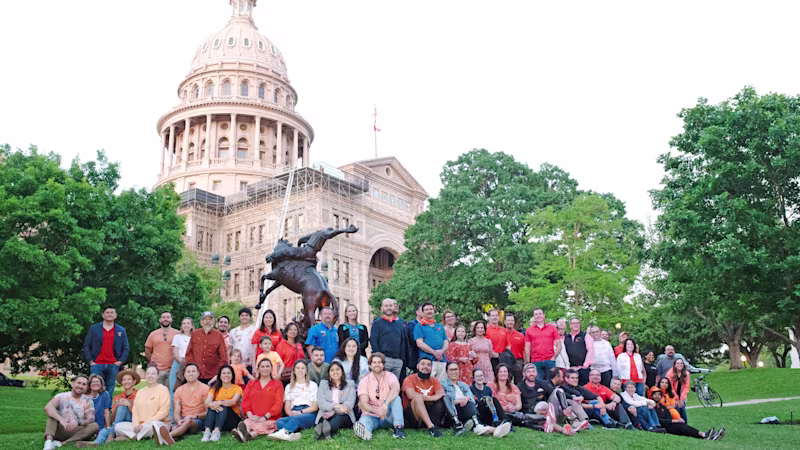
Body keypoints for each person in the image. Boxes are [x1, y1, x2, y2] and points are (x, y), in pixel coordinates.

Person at [442, 362, 512, 438]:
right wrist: (460, 401)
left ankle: (491, 424)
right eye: (451, 370)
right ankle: (484, 427)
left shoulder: (463, 385)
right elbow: (445, 401)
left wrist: (467, 399)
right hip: (454, 411)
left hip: (467, 409)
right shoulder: (443, 384)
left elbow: (471, 398)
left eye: (456, 369)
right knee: (470, 404)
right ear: (447, 372)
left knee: (489, 400)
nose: (454, 372)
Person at [353, 352, 406, 440]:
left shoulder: (390, 376)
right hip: (371, 414)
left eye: (379, 362)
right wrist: (377, 411)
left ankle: (398, 428)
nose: (377, 365)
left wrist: (386, 403)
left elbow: (395, 389)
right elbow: (364, 403)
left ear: (383, 364)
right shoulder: (364, 381)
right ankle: (366, 433)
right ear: (370, 365)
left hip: (388, 414)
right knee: (364, 422)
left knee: (396, 398)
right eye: (374, 362)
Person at [231, 358, 284, 443]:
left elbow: (278, 404)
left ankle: (247, 436)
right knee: (247, 423)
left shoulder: (277, 384)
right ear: (258, 369)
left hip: (270, 418)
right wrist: (250, 415)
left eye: (267, 366)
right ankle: (244, 433)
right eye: (262, 366)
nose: (265, 369)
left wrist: (265, 417)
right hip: (253, 416)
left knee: (261, 426)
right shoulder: (251, 383)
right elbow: (245, 400)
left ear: (271, 369)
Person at [114, 365, 169, 442]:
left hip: (156, 423)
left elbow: (163, 413)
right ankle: (143, 436)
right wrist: (135, 425)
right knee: (118, 426)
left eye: (153, 374)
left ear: (157, 376)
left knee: (154, 427)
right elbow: (135, 411)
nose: (150, 376)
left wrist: (144, 424)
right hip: (140, 425)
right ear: (145, 375)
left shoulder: (163, 390)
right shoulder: (140, 392)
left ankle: (131, 436)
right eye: (148, 374)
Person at [42, 375, 98, 450]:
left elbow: (91, 419)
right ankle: (48, 444)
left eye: (84, 384)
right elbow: (48, 407)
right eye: (79, 383)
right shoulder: (61, 396)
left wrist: (78, 422)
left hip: (76, 431)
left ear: (86, 387)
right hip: (60, 429)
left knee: (95, 426)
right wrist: (61, 420)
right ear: (73, 384)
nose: (81, 386)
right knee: (52, 415)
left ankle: (62, 443)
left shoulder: (88, 400)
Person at [82, 306, 130, 393]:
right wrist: (90, 361)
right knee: (94, 389)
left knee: (109, 390)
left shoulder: (121, 330)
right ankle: (94, 406)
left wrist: (120, 362)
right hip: (97, 364)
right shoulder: (94, 329)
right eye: (107, 312)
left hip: (113, 364)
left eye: (112, 312)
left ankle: (107, 407)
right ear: (103, 315)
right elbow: (86, 345)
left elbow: (126, 348)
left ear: (115, 315)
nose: (109, 314)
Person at [561, 369, 630, 429]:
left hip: (602, 410)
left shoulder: (602, 387)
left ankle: (627, 424)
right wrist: (599, 406)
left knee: (618, 404)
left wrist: (611, 403)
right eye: (572, 378)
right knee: (594, 402)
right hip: (587, 411)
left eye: (576, 378)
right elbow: (580, 405)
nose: (595, 377)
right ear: (589, 377)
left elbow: (615, 398)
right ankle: (610, 422)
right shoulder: (585, 387)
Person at [650, 385, 724, 440]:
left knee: (683, 426)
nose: (657, 396)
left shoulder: (663, 407)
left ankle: (705, 435)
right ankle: (705, 435)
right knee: (681, 426)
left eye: (659, 394)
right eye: (655, 394)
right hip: (663, 427)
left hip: (669, 424)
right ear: (651, 396)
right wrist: (675, 420)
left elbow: (668, 417)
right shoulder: (651, 408)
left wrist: (673, 421)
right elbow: (659, 421)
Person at [269, 359, 318, 440]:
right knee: (279, 421)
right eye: (298, 368)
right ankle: (293, 433)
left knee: (294, 419)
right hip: (294, 411)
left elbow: (315, 407)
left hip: (309, 413)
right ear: (294, 371)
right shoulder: (289, 386)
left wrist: (300, 412)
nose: (300, 370)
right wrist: (290, 414)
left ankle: (284, 432)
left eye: (303, 368)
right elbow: (287, 406)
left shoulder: (313, 385)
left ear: (306, 371)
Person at [516, 364, 571, 434]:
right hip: (531, 414)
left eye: (533, 371)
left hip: (547, 409)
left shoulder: (542, 383)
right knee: (542, 408)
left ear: (536, 373)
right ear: (524, 374)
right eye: (528, 372)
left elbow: (554, 392)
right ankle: (564, 430)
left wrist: (571, 399)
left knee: (558, 391)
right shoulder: (519, 387)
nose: (531, 374)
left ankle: (573, 421)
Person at [401, 357, 447, 437]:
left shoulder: (434, 380)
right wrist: (432, 398)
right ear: (417, 366)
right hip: (413, 416)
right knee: (417, 398)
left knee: (443, 399)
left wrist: (433, 398)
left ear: (431, 368)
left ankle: (452, 422)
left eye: (429, 365)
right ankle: (431, 428)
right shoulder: (409, 379)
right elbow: (411, 394)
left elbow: (441, 393)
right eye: (423, 364)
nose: (426, 367)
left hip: (430, 411)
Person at [166, 363, 209, 444]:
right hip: (183, 420)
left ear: (198, 374)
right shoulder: (179, 390)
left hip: (199, 420)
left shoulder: (205, 389)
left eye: (193, 371)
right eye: (188, 372)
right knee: (179, 425)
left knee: (188, 421)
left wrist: (195, 416)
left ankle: (167, 436)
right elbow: (176, 412)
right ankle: (173, 436)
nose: (191, 373)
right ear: (184, 374)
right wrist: (179, 421)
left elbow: (209, 412)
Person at [314, 361, 356, 440]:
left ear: (342, 371)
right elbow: (321, 402)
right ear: (329, 373)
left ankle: (324, 432)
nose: (335, 372)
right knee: (324, 419)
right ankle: (323, 430)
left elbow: (350, 402)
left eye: (337, 369)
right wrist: (336, 406)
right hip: (326, 412)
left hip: (344, 414)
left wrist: (334, 411)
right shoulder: (323, 384)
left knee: (337, 420)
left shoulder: (350, 384)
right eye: (332, 370)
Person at [200, 365, 243, 442]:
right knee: (212, 406)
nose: (226, 375)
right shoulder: (214, 388)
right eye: (223, 373)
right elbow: (207, 403)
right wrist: (213, 405)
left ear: (232, 375)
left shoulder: (237, 388)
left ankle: (217, 431)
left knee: (223, 406)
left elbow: (233, 401)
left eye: (228, 373)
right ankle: (207, 432)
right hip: (217, 418)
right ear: (219, 376)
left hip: (232, 419)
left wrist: (219, 402)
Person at [370, 298, 409, 381]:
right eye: (386, 306)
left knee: (394, 386)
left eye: (390, 305)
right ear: (382, 308)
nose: (388, 308)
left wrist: (401, 359)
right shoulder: (377, 323)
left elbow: (403, 342)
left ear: (394, 307)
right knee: (382, 384)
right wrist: (379, 358)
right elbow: (373, 341)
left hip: (397, 361)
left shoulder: (399, 324)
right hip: (384, 359)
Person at [185, 311, 228, 384]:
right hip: (196, 375)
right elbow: (189, 352)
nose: (207, 322)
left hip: (213, 375)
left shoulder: (218, 335)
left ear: (213, 322)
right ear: (201, 322)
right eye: (205, 319)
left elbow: (223, 356)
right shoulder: (195, 334)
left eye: (210, 320)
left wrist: (218, 371)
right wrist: (192, 368)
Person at [72, 374, 112, 447]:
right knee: (87, 431)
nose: (95, 384)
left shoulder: (105, 394)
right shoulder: (83, 396)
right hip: (86, 425)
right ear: (89, 385)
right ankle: (90, 438)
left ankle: (95, 442)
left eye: (97, 382)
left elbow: (106, 412)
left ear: (101, 384)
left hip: (100, 426)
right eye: (93, 382)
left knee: (104, 431)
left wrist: (108, 426)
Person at [413, 302, 449, 381]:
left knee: (442, 385)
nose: (429, 311)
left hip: (441, 360)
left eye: (431, 309)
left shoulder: (440, 326)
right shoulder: (419, 326)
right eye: (426, 310)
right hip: (427, 361)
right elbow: (419, 343)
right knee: (428, 383)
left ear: (434, 311)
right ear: (422, 312)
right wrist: (434, 352)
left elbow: (446, 341)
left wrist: (442, 351)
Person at [524, 309, 561, 381]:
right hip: (536, 361)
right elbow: (527, 346)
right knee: (537, 384)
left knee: (552, 383)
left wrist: (554, 357)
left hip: (550, 360)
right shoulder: (529, 330)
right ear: (534, 316)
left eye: (540, 314)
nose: (538, 316)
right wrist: (528, 362)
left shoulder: (552, 328)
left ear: (544, 315)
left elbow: (559, 344)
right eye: (536, 314)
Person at [145, 311, 180, 387]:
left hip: (172, 370)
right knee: (156, 393)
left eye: (168, 317)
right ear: (160, 320)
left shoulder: (178, 334)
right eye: (163, 317)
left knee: (170, 394)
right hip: (157, 370)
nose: (166, 319)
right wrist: (152, 362)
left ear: (171, 319)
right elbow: (147, 351)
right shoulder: (153, 334)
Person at [169, 317, 193, 411]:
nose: (186, 325)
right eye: (184, 323)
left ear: (192, 326)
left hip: (191, 364)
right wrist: (182, 363)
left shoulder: (195, 337)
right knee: (173, 390)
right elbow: (175, 353)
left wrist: (188, 365)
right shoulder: (177, 337)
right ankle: (172, 421)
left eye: (188, 323)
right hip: (178, 363)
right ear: (181, 326)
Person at [109, 369, 139, 439]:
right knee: (104, 430)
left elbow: (141, 414)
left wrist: (129, 405)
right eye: (124, 380)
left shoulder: (139, 394)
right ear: (121, 382)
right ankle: (96, 442)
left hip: (133, 421)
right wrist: (117, 407)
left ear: (133, 382)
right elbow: (112, 419)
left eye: (129, 379)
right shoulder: (117, 397)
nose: (126, 382)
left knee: (123, 406)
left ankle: (111, 435)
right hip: (119, 423)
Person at [563, 317, 593, 385]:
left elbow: (590, 350)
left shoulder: (585, 336)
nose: (575, 325)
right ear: (570, 325)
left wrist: (586, 364)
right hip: (570, 369)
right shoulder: (565, 337)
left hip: (583, 368)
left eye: (577, 323)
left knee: (584, 389)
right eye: (573, 323)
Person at [665, 358, 691, 422]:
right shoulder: (670, 373)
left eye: (681, 363)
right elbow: (670, 387)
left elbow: (686, 387)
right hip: (672, 394)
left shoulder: (686, 373)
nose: (680, 365)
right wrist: (676, 398)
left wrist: (682, 399)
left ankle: (685, 425)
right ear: (675, 365)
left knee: (682, 408)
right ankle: (678, 424)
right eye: (678, 363)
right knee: (677, 409)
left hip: (682, 395)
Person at [505, 314, 525, 383]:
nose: (510, 322)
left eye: (512, 320)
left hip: (518, 361)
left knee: (519, 382)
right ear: (505, 322)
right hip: (505, 361)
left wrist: (525, 362)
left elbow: (524, 350)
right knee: (506, 381)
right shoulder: (502, 334)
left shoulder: (520, 336)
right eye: (508, 320)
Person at [406, 304, 424, 372]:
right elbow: (413, 341)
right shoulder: (412, 325)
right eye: (423, 310)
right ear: (417, 312)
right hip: (415, 357)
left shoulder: (429, 325)